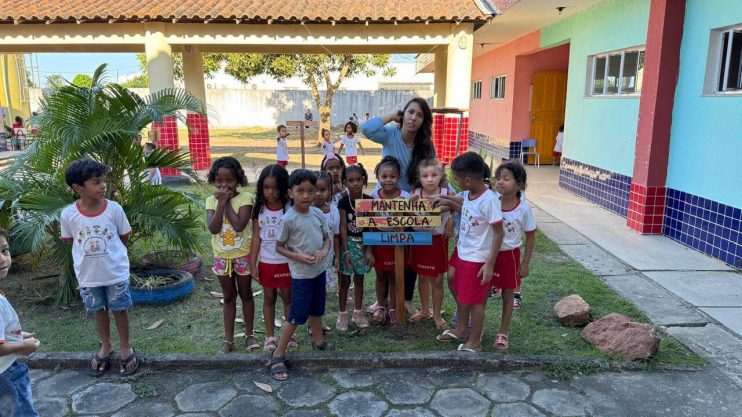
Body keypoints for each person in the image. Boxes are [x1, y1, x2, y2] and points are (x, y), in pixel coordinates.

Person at [60, 159, 139, 376]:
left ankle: (125, 346)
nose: (103, 185)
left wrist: (112, 259)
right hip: (88, 275)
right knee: (98, 310)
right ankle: (106, 344)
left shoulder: (114, 209)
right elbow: (71, 241)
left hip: (115, 272)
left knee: (119, 309)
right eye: (96, 182)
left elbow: (124, 237)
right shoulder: (68, 215)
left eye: (103, 180)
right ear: (78, 188)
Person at [361, 98, 436, 316]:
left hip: (410, 206)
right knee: (382, 253)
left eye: (419, 115)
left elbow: (432, 173)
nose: (413, 118)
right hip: (384, 203)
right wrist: (392, 115)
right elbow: (367, 128)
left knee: (408, 256)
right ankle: (381, 301)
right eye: (410, 112)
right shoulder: (390, 134)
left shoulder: (425, 146)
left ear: (424, 121)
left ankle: (406, 299)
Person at [435, 152, 504, 352]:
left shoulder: (489, 200)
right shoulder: (470, 194)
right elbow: (468, 208)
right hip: (463, 251)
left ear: (467, 180)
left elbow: (498, 233)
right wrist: (446, 200)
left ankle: (475, 341)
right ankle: (462, 329)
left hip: (477, 258)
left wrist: (489, 263)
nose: (455, 182)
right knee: (462, 292)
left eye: (456, 179)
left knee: (475, 301)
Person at [269, 169, 332, 381]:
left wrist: (323, 251)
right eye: (300, 191)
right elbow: (279, 247)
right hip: (301, 275)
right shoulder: (288, 219)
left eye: (311, 191)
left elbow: (326, 239)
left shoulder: (317, 214)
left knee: (317, 309)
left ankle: (318, 340)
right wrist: (298, 257)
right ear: (290, 193)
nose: (306, 196)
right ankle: (278, 354)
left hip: (319, 271)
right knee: (296, 315)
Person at [205, 157, 258, 353]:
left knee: (245, 294)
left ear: (238, 180)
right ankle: (229, 340)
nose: (224, 185)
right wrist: (220, 203)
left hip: (242, 256)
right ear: (213, 180)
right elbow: (214, 228)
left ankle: (250, 334)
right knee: (229, 297)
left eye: (229, 181)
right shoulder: (211, 201)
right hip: (222, 258)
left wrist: (225, 202)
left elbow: (239, 225)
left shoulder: (245, 199)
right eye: (219, 181)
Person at [249, 164, 296, 352]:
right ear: (261, 188)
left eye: (275, 188)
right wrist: (253, 264)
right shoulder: (259, 208)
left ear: (284, 187)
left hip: (287, 262)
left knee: (288, 298)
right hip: (267, 263)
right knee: (268, 298)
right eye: (266, 188)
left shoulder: (290, 207)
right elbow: (256, 237)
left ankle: (290, 334)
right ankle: (270, 336)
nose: (271, 192)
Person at [408, 158, 454, 330]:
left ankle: (436, 314)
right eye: (425, 175)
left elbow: (453, 209)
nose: (429, 179)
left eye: (434, 175)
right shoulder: (415, 193)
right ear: (419, 177)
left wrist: (452, 220)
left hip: (438, 241)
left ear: (440, 175)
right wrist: (411, 208)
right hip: (420, 240)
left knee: (437, 279)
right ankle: (425, 310)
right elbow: (411, 218)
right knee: (422, 276)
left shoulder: (446, 192)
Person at [0, 229, 41, 417]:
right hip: (4, 374)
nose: (2, 259)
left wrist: (15, 336)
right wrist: (22, 346)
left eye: (4, 250)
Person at [365, 156, 410, 324]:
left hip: (398, 243)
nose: (388, 180)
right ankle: (380, 306)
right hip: (379, 242)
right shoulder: (373, 195)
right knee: (381, 276)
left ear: (398, 178)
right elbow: (369, 223)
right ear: (378, 177)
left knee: (394, 277)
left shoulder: (405, 196)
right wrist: (369, 249)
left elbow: (412, 220)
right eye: (384, 176)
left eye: (392, 176)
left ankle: (393, 308)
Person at [494, 161, 536, 314]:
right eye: (498, 178)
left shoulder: (523, 210)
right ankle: (494, 286)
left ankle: (515, 294)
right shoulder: (490, 203)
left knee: (509, 288)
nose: (500, 181)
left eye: (506, 178)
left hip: (509, 254)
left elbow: (530, 237)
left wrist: (525, 263)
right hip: (489, 252)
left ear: (519, 184)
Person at [338, 164, 372, 330]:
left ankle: (358, 313)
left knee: (360, 280)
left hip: (363, 245)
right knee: (344, 281)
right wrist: (345, 251)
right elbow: (343, 227)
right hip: (348, 245)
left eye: (358, 180)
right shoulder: (344, 202)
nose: (355, 183)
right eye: (351, 180)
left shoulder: (368, 201)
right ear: (345, 182)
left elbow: (371, 227)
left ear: (364, 180)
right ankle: (342, 314)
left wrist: (370, 250)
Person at [313, 172, 341, 295]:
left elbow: (336, 235)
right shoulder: (304, 210)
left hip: (327, 256)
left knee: (321, 287)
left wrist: (337, 257)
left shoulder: (334, 211)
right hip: (308, 255)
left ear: (330, 191)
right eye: (314, 190)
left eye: (322, 190)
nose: (318, 193)